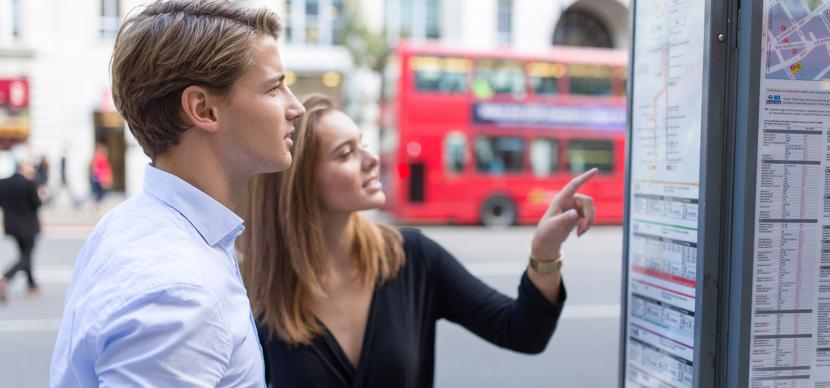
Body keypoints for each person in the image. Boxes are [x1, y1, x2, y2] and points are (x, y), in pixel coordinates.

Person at [239, 94, 597, 387]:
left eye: (363, 144)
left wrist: (544, 252)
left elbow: (523, 333)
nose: (373, 159)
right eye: (346, 154)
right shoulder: (256, 289)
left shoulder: (412, 257)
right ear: (301, 183)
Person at [50, 1, 304, 386]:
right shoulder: (178, 291)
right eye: (274, 88)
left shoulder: (139, 225)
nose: (296, 107)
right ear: (203, 109)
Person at [0, 160, 43, 302]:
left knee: (24, 254)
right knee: (26, 255)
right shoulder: (29, 184)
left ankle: (31, 285)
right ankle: (6, 277)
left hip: (11, 225)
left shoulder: (3, 183)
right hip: (28, 225)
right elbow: (37, 203)